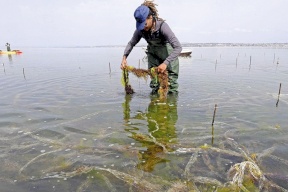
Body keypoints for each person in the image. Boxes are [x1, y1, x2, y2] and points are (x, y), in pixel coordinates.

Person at [121, 0, 182, 94]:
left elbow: (178, 47)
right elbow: (131, 43)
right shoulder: (141, 30)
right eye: (140, 25)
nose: (143, 28)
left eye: (144, 24)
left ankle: (170, 106)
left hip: (168, 57)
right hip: (153, 55)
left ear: (150, 17)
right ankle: (153, 106)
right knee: (154, 84)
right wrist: (124, 57)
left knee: (170, 86)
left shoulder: (162, 27)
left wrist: (165, 63)